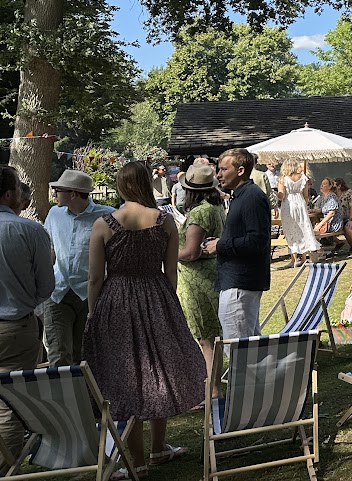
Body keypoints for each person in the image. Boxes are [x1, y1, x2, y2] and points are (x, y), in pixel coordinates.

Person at [83, 162, 205, 474]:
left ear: (121, 186)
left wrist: (94, 313)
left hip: (117, 303)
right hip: (157, 297)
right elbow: (171, 272)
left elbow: (95, 278)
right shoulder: (165, 222)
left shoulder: (104, 224)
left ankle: (137, 458)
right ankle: (158, 448)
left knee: (129, 376)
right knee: (158, 370)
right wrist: (166, 301)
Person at [0, 165, 54, 468]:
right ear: (9, 194)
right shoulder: (30, 230)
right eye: (20, 187)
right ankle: (6, 470)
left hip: (15, 323)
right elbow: (46, 286)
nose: (24, 192)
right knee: (10, 404)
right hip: (15, 326)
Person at [42, 169, 114, 367]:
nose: (54, 193)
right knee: (58, 354)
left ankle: (85, 397)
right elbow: (50, 250)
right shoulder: (54, 214)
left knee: (84, 355)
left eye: (58, 189)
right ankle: (60, 398)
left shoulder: (107, 216)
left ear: (73, 194)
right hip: (58, 293)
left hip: (90, 295)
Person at [201, 148, 271, 340]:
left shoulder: (252, 197)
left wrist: (220, 245)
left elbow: (257, 240)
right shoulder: (240, 195)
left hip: (241, 284)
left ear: (240, 170)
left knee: (238, 349)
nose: (218, 174)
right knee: (247, 347)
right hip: (236, 282)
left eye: (223, 169)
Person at [175, 162, 225, 381]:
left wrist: (165, 249)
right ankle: (212, 389)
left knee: (206, 339)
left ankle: (211, 392)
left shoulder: (199, 213)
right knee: (213, 337)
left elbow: (190, 253)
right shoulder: (216, 207)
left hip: (197, 280)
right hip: (212, 274)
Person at [277, 159, 320, 268]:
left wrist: (276, 195)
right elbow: (306, 195)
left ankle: (294, 259)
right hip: (300, 204)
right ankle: (304, 257)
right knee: (303, 229)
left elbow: (281, 196)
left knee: (290, 230)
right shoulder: (303, 178)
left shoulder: (283, 179)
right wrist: (304, 206)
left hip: (288, 205)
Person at [333, 178, 352, 255]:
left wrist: (351, 220)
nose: (333, 188)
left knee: (348, 227)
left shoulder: (349, 193)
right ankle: (339, 243)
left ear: (339, 186)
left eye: (334, 186)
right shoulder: (333, 195)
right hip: (339, 219)